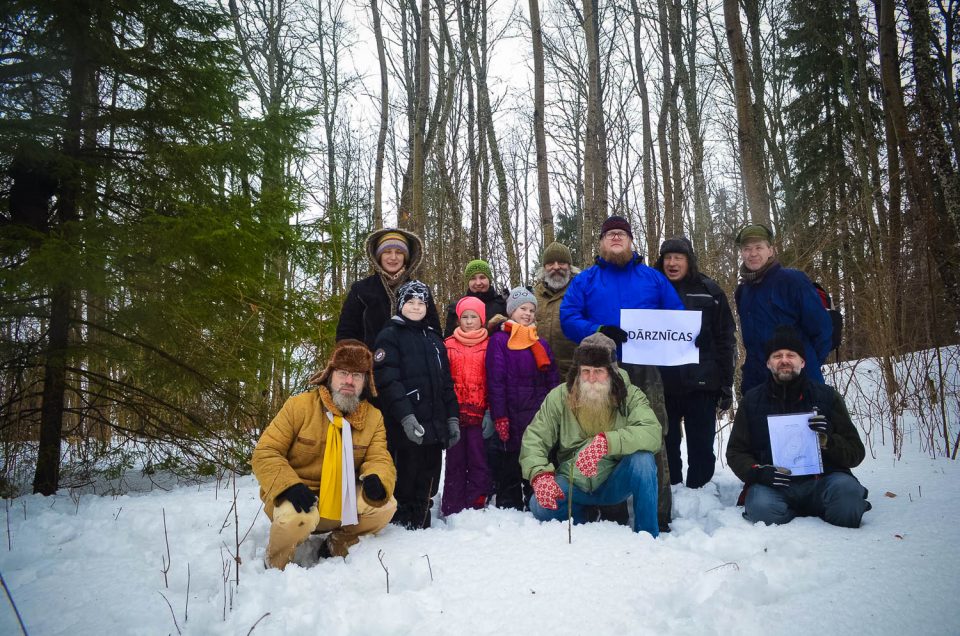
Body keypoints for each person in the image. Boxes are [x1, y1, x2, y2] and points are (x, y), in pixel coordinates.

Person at [559, 215, 684, 531]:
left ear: (631, 242)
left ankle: (659, 513)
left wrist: (665, 332)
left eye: (621, 234)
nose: (616, 238)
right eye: (610, 234)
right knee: (601, 436)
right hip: (601, 370)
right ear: (601, 243)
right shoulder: (585, 280)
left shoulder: (653, 278)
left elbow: (677, 316)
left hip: (645, 368)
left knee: (652, 433)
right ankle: (610, 512)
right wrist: (599, 330)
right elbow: (569, 318)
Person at [252, 339, 397, 570]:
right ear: (330, 375)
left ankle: (337, 544)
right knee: (295, 518)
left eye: (357, 376)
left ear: (365, 382)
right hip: (297, 497)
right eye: (342, 373)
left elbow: (379, 458)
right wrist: (289, 486)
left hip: (342, 500)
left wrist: (376, 477)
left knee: (385, 506)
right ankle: (275, 564)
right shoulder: (298, 406)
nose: (349, 381)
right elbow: (265, 452)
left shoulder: (373, 417)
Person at [726, 327, 871, 528]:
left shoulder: (827, 397)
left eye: (791, 355)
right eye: (777, 356)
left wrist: (829, 440)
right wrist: (759, 473)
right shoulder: (751, 401)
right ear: (768, 363)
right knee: (760, 508)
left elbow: (856, 452)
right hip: (776, 485)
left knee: (848, 499)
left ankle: (827, 509)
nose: (784, 360)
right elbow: (736, 452)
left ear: (802, 362)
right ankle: (791, 512)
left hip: (824, 480)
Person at [520, 333, 662, 537]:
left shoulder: (630, 395)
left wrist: (607, 442)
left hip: (614, 481)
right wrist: (539, 474)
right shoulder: (559, 396)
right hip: (573, 480)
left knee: (643, 460)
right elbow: (534, 438)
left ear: (612, 373)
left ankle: (647, 535)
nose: (591, 378)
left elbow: (652, 432)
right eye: (585, 371)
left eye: (598, 371)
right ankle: (583, 516)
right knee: (539, 505)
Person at [373, 280, 459, 529]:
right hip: (405, 425)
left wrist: (452, 419)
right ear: (401, 305)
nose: (416, 306)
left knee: (429, 478)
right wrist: (406, 417)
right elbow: (388, 381)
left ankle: (423, 521)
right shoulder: (389, 335)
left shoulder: (434, 338)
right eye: (410, 302)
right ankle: (401, 525)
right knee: (406, 478)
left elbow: (446, 383)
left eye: (421, 302)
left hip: (435, 425)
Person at [654, 237, 736, 489]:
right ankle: (673, 488)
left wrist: (725, 384)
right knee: (666, 444)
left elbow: (726, 339)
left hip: (702, 382)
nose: (672, 263)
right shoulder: (652, 290)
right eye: (668, 258)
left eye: (678, 257)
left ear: (689, 261)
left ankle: (701, 493)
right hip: (663, 384)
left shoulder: (710, 290)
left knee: (701, 445)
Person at [735, 223, 832, 394]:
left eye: (759, 247)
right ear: (742, 253)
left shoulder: (793, 281)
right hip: (759, 384)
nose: (753, 254)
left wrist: (805, 365)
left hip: (799, 382)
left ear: (770, 250)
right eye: (747, 249)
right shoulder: (743, 292)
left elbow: (822, 330)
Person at [486, 286, 559, 509]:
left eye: (531, 310)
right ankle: (509, 501)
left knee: (534, 454)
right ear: (511, 312)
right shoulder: (499, 340)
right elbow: (495, 380)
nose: (527, 314)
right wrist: (500, 416)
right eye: (522, 309)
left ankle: (534, 497)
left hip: (536, 414)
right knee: (509, 458)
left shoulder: (541, 344)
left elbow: (552, 382)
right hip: (510, 411)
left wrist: (552, 415)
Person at [336, 227, 441, 350]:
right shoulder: (361, 290)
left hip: (412, 366)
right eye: (387, 251)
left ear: (406, 257)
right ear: (378, 256)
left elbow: (435, 332)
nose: (393, 257)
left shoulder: (420, 290)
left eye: (399, 252)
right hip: (370, 365)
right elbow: (346, 333)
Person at [441, 296, 492, 515]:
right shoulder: (448, 345)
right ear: (458, 319)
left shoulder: (490, 344)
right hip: (455, 413)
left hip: (480, 412)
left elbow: (493, 379)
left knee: (478, 458)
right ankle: (452, 505)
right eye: (465, 317)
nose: (469, 321)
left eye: (474, 317)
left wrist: (491, 409)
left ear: (482, 319)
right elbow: (442, 380)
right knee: (455, 460)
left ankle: (477, 502)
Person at [533, 242, 581, 380]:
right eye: (550, 264)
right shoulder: (532, 296)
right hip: (538, 376)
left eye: (561, 262)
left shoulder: (581, 294)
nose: (556, 267)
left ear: (570, 267)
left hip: (572, 376)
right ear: (544, 268)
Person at [443, 259, 507, 337]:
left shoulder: (503, 305)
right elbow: (448, 339)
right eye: (473, 278)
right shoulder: (456, 308)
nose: (478, 283)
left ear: (489, 280)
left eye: (482, 277)